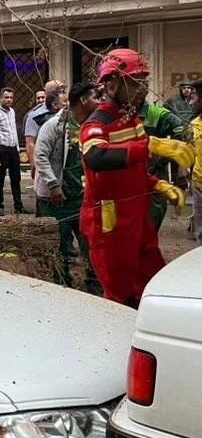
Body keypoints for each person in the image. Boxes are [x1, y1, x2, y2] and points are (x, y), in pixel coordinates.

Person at [79, 48, 193, 306]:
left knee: (151, 283)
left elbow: (134, 169)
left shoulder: (132, 121)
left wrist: (159, 184)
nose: (141, 90)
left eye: (143, 82)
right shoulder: (97, 124)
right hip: (111, 223)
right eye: (133, 83)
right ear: (110, 85)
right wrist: (149, 146)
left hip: (139, 219)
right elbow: (95, 157)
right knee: (121, 295)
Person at [34, 80, 99, 288]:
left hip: (80, 196)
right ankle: (60, 281)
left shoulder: (90, 126)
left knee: (88, 240)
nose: (99, 101)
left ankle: (93, 279)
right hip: (56, 198)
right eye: (94, 97)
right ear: (82, 100)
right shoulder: (54, 125)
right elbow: (40, 155)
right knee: (58, 243)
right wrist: (53, 185)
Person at [132, 88, 189, 231]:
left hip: (153, 174)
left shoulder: (156, 113)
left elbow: (182, 130)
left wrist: (164, 158)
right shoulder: (120, 113)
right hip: (127, 174)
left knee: (153, 216)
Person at [0, 87, 28, 216]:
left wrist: (17, 149)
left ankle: (18, 205)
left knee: (16, 179)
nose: (9, 100)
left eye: (11, 97)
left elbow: (13, 131)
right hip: (1, 149)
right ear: (0, 98)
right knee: (0, 179)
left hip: (12, 149)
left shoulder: (12, 112)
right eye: (6, 97)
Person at [24, 79, 67, 178]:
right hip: (47, 162)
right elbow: (30, 142)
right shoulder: (36, 115)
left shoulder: (67, 110)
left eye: (64, 90)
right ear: (48, 93)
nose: (63, 93)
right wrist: (33, 165)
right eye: (60, 90)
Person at [190, 83, 202, 245]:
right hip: (198, 184)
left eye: (194, 99)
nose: (190, 103)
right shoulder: (194, 124)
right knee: (200, 232)